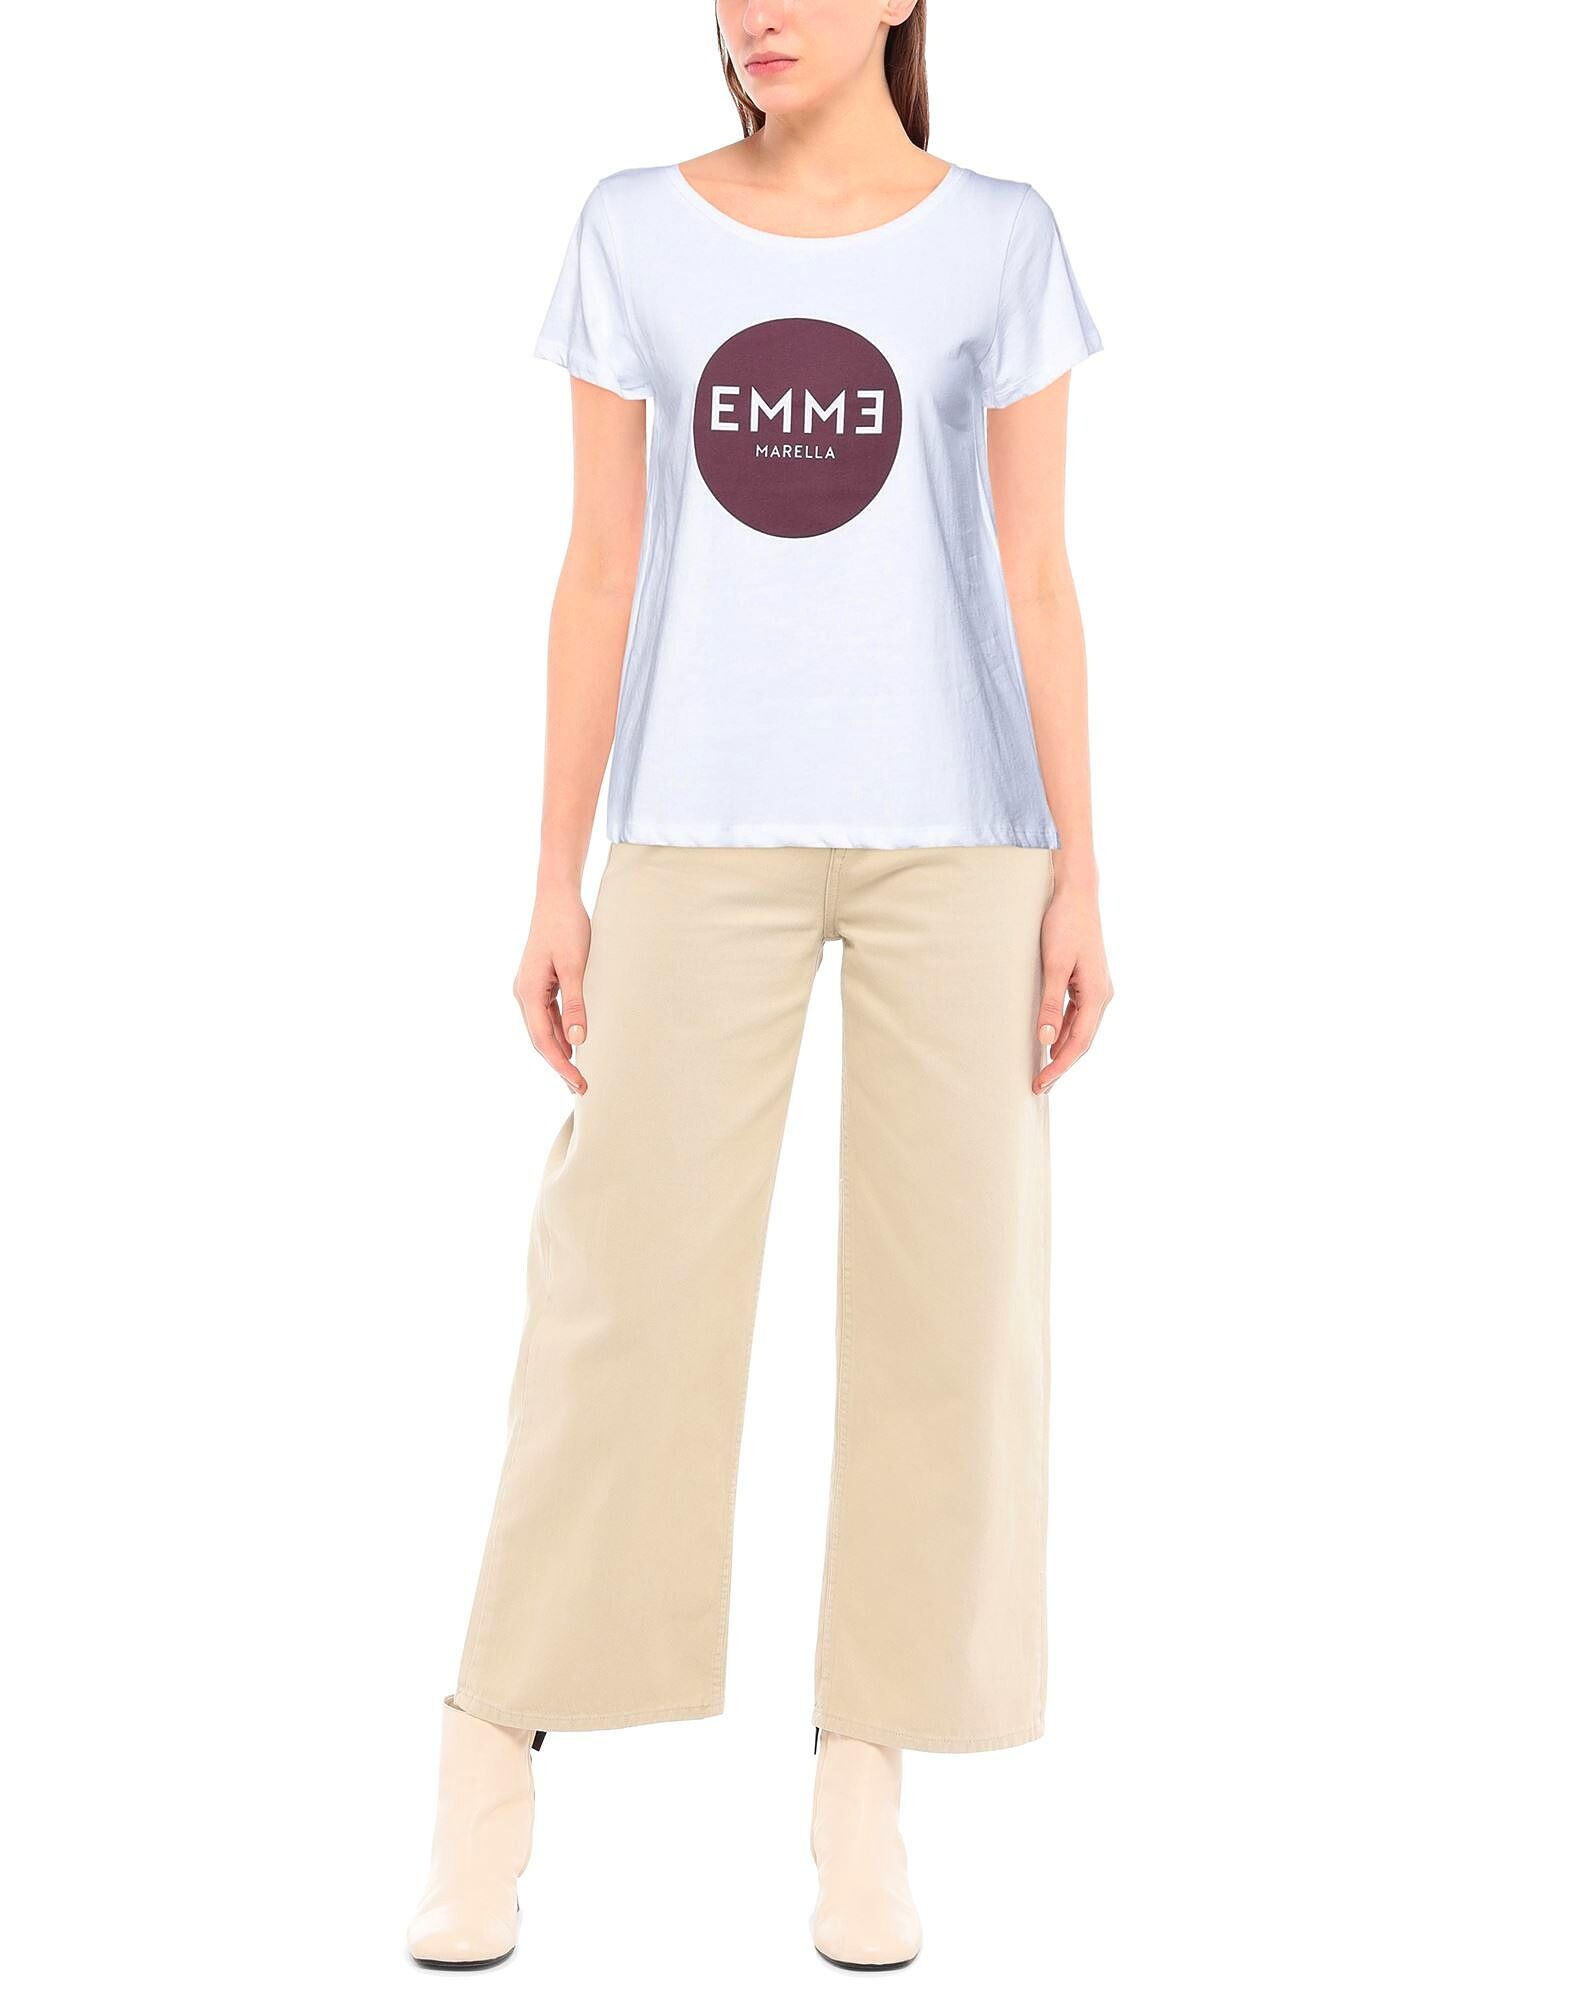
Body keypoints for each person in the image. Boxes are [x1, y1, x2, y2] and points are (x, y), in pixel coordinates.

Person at [407, 0, 1112, 1972]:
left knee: (949, 1315)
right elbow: (599, 567)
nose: (757, 13)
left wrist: (1081, 870)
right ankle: (488, 1751)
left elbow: (1038, 576)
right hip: (696, 826)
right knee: (620, 1292)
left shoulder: (1003, 239)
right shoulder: (635, 227)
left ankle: (863, 1785)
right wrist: (554, 876)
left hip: (962, 844)